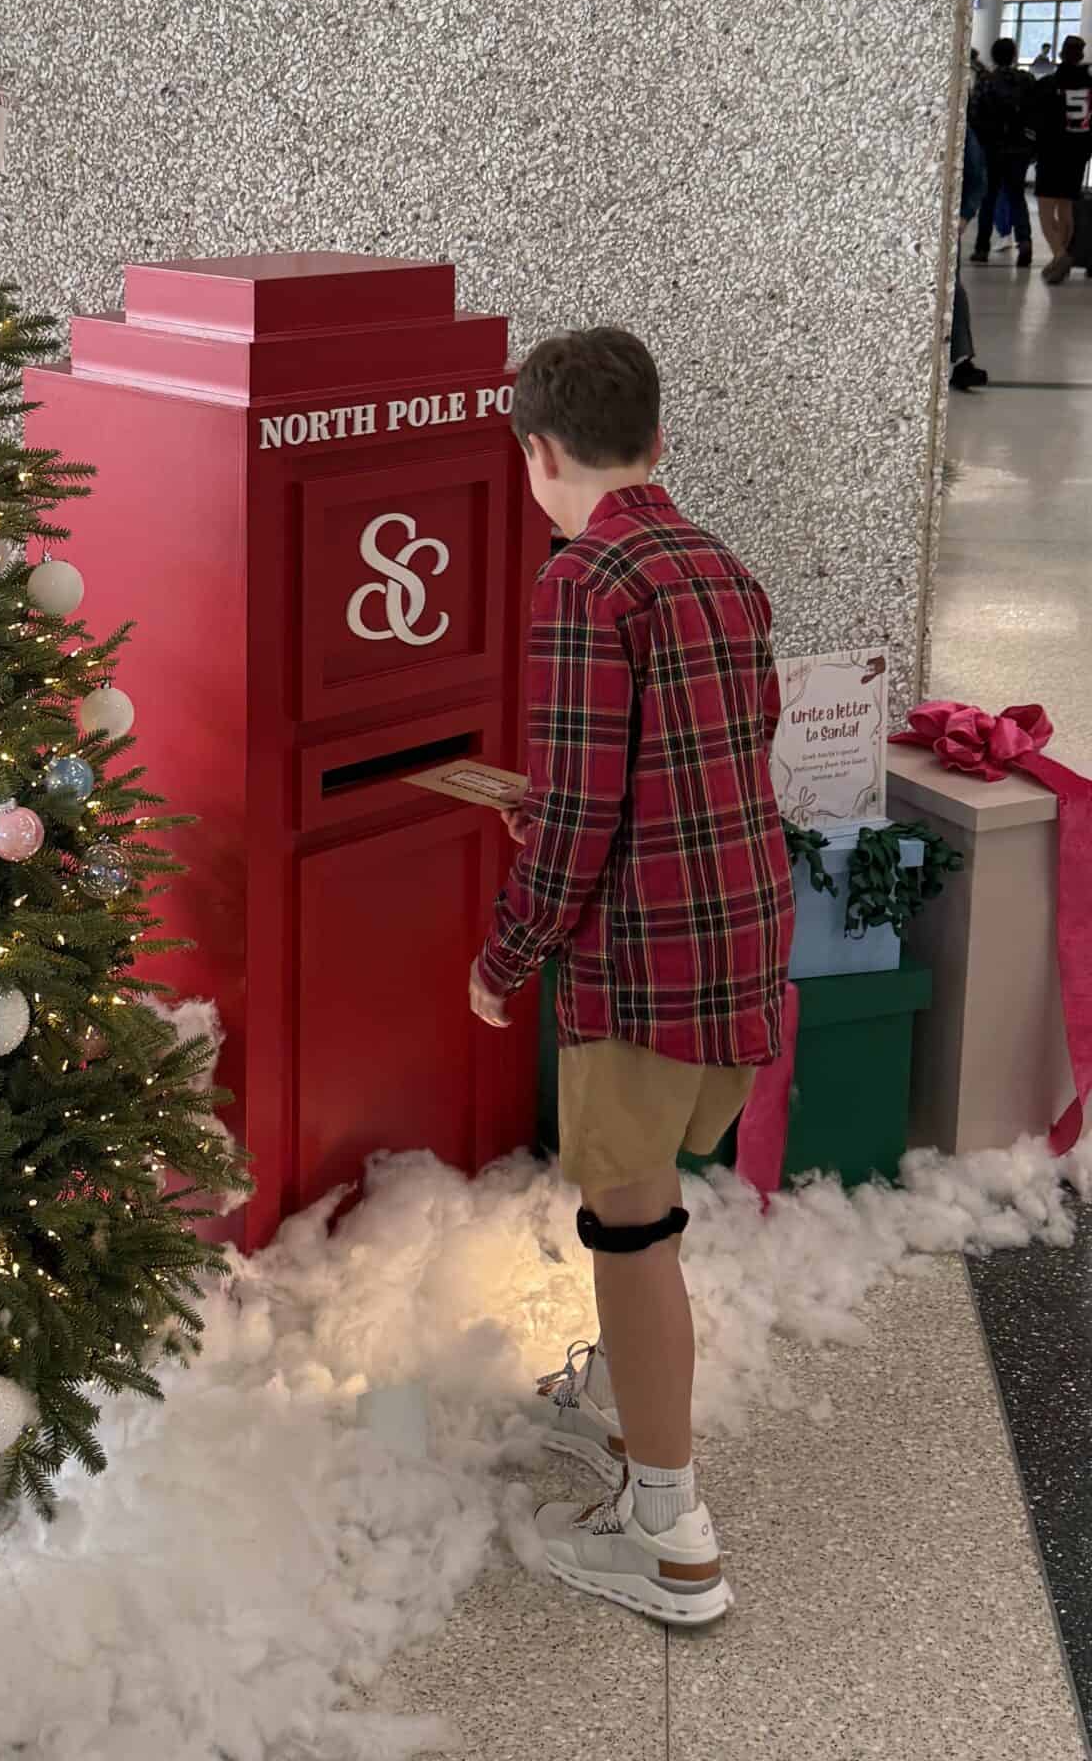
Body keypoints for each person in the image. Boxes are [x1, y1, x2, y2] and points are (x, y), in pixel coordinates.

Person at [469, 328, 794, 1628]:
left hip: (639, 967)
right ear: (658, 439)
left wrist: (507, 954)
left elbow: (588, 823)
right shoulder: (719, 567)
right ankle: (634, 1405)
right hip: (738, 944)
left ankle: (669, 1530)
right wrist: (556, 804)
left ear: (538, 454)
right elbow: (717, 752)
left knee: (632, 1227)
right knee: (648, 1212)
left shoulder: (584, 580)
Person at [970, 38, 1034, 267]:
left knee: (988, 198)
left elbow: (975, 113)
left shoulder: (986, 80)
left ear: (994, 56)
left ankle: (981, 247)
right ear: (1015, 56)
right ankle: (1025, 241)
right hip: (1019, 148)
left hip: (992, 147)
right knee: (1017, 196)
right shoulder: (1026, 80)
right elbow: (1033, 113)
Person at [1034, 34, 1092, 285]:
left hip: (1051, 152)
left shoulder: (1049, 83)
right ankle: (1061, 260)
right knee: (1066, 207)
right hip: (1078, 153)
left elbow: (1037, 119)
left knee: (1046, 208)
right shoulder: (1090, 85)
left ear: (1060, 54)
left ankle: (1060, 255)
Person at [951, 117, 989, 389]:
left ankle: (962, 360)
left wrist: (963, 215)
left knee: (951, 289)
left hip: (942, 224)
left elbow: (976, 177)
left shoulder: (959, 127)